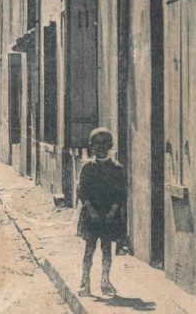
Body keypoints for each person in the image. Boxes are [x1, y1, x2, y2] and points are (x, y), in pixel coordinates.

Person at [76, 127, 126, 298]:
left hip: (109, 216)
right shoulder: (87, 168)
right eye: (96, 143)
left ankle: (105, 282)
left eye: (105, 143)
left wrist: (112, 212)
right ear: (91, 146)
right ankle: (85, 282)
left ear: (110, 145)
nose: (100, 147)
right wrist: (91, 210)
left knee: (106, 249)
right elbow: (82, 191)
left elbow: (120, 193)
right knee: (89, 249)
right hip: (91, 215)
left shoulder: (117, 168)